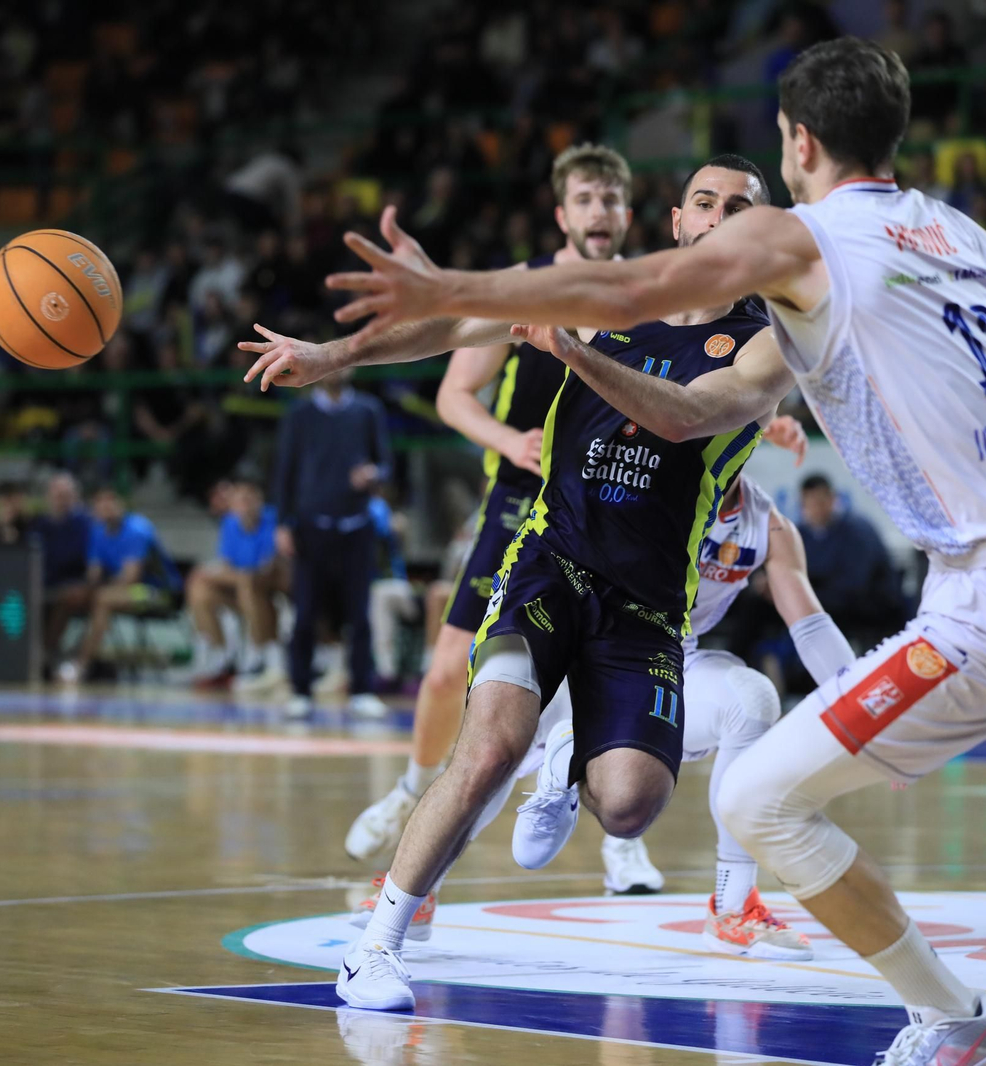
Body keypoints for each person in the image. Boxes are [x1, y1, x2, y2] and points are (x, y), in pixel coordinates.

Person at [309, 38, 986, 1065]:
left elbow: (623, 301)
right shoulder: (958, 228)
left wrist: (450, 287)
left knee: (757, 799)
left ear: (797, 141)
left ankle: (957, 1019)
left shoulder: (801, 243)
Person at [244, 154, 790, 1012]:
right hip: (549, 562)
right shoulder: (605, 290)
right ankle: (377, 944)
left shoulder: (770, 341)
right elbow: (460, 325)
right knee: (491, 744)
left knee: (630, 805)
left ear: (763, 235)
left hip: (647, 605)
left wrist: (573, 353)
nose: (719, 216)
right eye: (703, 201)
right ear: (678, 222)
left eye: (741, 208)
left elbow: (686, 416)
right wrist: (331, 352)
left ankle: (570, 756)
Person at [348, 470, 854, 961]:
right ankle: (417, 892)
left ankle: (732, 905)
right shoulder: (646, 475)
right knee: (493, 749)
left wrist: (865, 717)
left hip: (664, 655)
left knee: (752, 699)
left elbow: (810, 626)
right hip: (581, 640)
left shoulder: (765, 523)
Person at [339, 144, 646, 882]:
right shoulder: (520, 286)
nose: (598, 212)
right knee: (450, 670)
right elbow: (452, 394)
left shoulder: (651, 292)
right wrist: (510, 439)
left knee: (602, 671)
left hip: (610, 496)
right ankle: (412, 791)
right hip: (521, 495)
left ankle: (622, 837)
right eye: (585, 199)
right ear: (561, 214)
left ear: (628, 213)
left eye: (610, 198)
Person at [269, 369, 393, 718]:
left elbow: (386, 464)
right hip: (311, 526)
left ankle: (362, 690)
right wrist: (282, 523)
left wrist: (373, 475)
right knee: (305, 611)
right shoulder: (299, 414)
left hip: (357, 525)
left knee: (359, 613)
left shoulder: (368, 410)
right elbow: (284, 471)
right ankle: (301, 689)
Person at [57, 487, 182, 685]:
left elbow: (130, 578)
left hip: (157, 594)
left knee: (103, 599)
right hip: (120, 591)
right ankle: (48, 658)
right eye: (100, 502)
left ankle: (81, 665)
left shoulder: (137, 529)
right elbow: (94, 574)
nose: (106, 507)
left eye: (110, 501)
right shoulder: (98, 532)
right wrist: (85, 590)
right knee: (71, 595)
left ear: (121, 504)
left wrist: (97, 589)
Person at [184, 478, 284, 688]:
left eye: (250, 499)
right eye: (240, 500)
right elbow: (227, 565)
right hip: (242, 588)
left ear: (260, 500)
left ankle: (261, 657)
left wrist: (219, 575)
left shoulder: (274, 519)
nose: (245, 505)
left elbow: (266, 569)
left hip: (271, 586)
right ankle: (220, 656)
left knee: (248, 584)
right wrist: (217, 575)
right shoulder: (229, 523)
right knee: (199, 588)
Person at [796, 473, 909, 645]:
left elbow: (854, 586)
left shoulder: (857, 530)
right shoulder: (801, 533)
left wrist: (807, 594)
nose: (815, 509)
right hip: (832, 603)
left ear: (833, 499)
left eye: (820, 502)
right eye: (809, 504)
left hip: (870, 607)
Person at [31, 472, 93, 672]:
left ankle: (44, 654)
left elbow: (84, 560)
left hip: (73, 583)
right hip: (41, 584)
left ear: (75, 497)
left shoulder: (85, 524)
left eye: (66, 494)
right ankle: (24, 653)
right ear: (49, 496)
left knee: (68, 596)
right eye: (58, 494)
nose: (62, 499)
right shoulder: (40, 524)